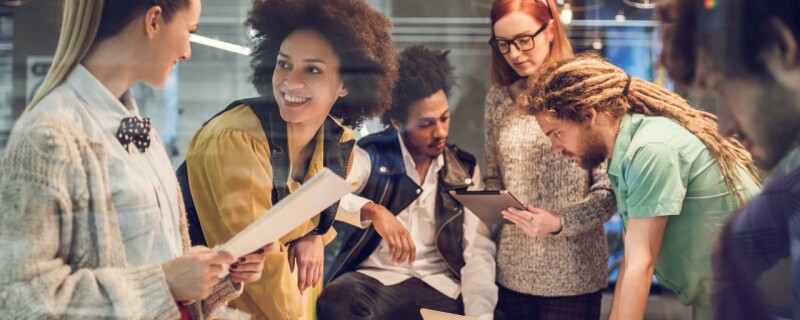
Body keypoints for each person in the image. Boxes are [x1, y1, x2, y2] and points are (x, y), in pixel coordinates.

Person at [0, 0, 268, 318]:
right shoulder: (46, 135)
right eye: (189, 31)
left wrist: (217, 270)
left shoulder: (141, 131)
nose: (187, 52)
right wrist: (165, 282)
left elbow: (156, 271)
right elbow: (21, 301)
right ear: (153, 21)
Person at [177, 0, 397, 319]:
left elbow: (304, 212)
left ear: (347, 84)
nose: (290, 83)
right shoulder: (234, 138)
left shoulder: (339, 145)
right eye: (283, 64)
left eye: (313, 69)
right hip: (210, 306)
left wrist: (313, 234)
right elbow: (257, 261)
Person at [517, 53, 762, 319]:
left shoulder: (650, 149)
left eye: (557, 134)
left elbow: (641, 263)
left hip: (756, 292)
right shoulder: (626, 153)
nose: (555, 148)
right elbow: (632, 259)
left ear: (589, 115)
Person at [319, 45, 497, 320]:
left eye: (444, 118)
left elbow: (477, 252)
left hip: (440, 286)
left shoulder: (464, 170)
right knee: (338, 298)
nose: (440, 132)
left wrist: (481, 316)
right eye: (426, 124)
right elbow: (323, 196)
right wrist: (373, 210)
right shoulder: (371, 154)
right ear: (398, 122)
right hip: (377, 282)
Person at [658, 0, 800, 318]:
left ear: (781, 45)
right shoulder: (791, 178)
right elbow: (737, 243)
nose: (726, 128)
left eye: (723, 88)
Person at [484, 0, 617, 318]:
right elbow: (494, 176)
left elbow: (608, 193)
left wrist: (560, 222)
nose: (515, 53)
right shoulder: (498, 98)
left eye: (524, 39)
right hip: (511, 272)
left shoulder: (586, 91)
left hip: (574, 276)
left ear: (551, 29)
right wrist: (487, 203)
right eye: (504, 44)